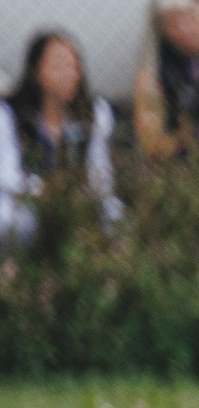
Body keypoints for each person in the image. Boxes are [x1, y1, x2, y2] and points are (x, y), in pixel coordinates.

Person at [3, 30, 124, 246]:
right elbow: (7, 175)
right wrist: (47, 193)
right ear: (35, 70)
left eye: (73, 65)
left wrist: (85, 195)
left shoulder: (95, 114)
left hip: (79, 200)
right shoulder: (9, 115)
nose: (68, 74)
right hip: (27, 200)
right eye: (57, 66)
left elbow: (100, 171)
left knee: (117, 217)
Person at [133, 0, 199, 162]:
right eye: (173, 23)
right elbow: (149, 136)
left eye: (191, 17)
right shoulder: (157, 60)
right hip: (179, 153)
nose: (184, 30)